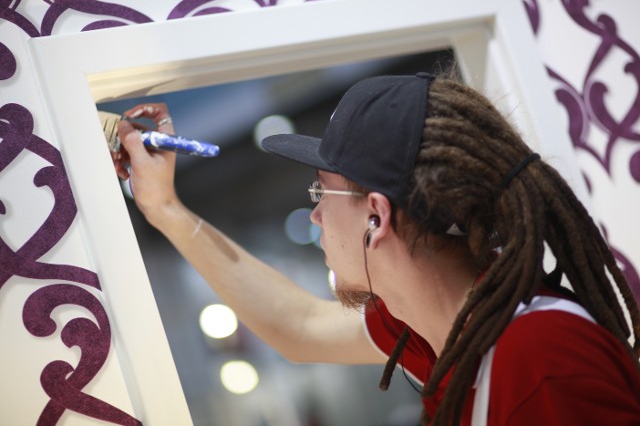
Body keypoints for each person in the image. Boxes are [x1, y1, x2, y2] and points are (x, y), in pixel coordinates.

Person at [113, 72, 640, 425]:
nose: (315, 214)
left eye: (321, 191)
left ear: (377, 215)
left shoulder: (543, 359)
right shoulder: (442, 331)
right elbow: (299, 326)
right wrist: (164, 208)